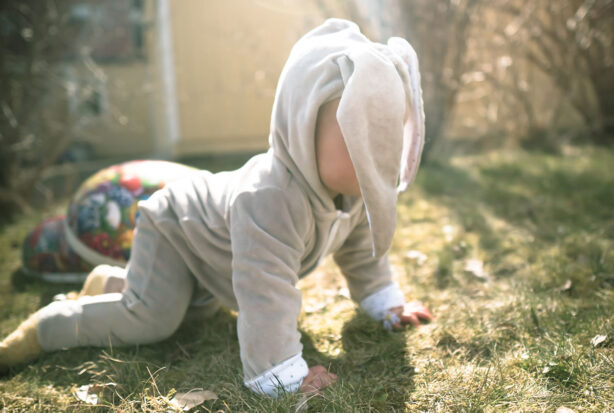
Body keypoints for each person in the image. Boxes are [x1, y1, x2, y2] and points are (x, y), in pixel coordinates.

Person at [0, 19, 433, 397]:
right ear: (302, 123)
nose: (379, 152)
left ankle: (112, 283)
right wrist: (282, 374)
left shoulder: (354, 191)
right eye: (357, 133)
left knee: (198, 308)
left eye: (389, 135)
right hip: (177, 229)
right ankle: (46, 328)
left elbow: (362, 253)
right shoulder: (271, 198)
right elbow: (265, 293)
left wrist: (385, 304)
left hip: (216, 257)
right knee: (152, 320)